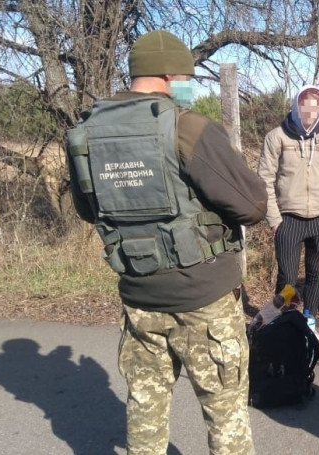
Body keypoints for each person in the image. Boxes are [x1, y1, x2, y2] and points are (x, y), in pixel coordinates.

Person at [67, 30, 267, 454]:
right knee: (225, 415)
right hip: (204, 301)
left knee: (145, 412)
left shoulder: (86, 132)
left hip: (139, 299)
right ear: (169, 74)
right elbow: (252, 205)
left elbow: (89, 211)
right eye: (187, 76)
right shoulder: (185, 127)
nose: (189, 84)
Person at [257, 84, 319, 347]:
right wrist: (274, 220)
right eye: (305, 106)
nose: (310, 113)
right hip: (288, 220)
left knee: (316, 274)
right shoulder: (277, 137)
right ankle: (281, 322)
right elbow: (264, 180)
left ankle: (309, 320)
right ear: (296, 106)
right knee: (287, 277)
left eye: (315, 108)